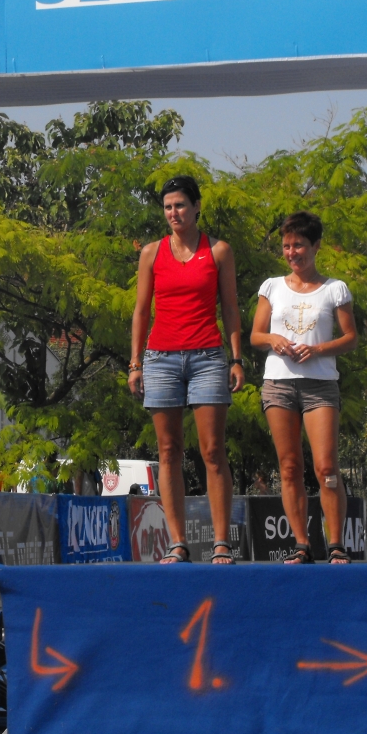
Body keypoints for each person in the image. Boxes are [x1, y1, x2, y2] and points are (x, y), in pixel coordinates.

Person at [128, 176, 244, 564]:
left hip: (207, 357)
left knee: (212, 450)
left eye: (180, 205)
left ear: (196, 207)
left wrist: (237, 358)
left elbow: (230, 307)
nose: (174, 213)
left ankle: (222, 542)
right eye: (167, 207)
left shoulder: (219, 250)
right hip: (160, 359)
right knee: (168, 451)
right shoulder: (151, 252)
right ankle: (177, 542)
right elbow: (141, 311)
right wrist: (135, 363)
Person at [251, 211, 358, 564]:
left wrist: (318, 349)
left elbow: (350, 338)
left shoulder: (335, 289)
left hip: (320, 387)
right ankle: (301, 544)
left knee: (326, 467)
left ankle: (336, 544)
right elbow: (256, 336)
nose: (292, 252)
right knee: (289, 466)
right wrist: (274, 340)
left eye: (298, 245)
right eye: (286, 246)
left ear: (315, 246)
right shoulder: (271, 286)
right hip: (279, 384)